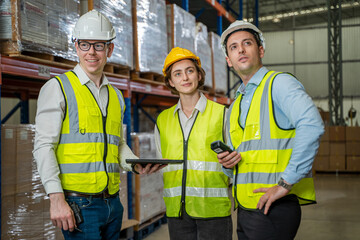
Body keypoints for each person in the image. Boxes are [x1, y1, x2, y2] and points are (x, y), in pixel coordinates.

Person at [33, 10, 161, 240]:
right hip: (78, 205)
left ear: (109, 50)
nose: (91, 52)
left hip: (112, 203)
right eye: (84, 44)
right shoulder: (58, 88)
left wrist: (134, 164)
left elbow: (117, 143)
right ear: (75, 46)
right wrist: (56, 199)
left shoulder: (116, 96)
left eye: (99, 45)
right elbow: (43, 146)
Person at [217, 20, 325, 240]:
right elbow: (247, 154)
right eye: (234, 47)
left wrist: (285, 183)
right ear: (229, 60)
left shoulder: (279, 83)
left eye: (247, 43)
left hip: (275, 205)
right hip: (246, 206)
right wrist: (229, 162)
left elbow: (312, 125)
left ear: (261, 50)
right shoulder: (235, 104)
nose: (241, 50)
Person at [154, 47, 233, 240]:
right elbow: (161, 163)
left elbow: (234, 162)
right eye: (178, 74)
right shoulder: (163, 120)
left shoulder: (221, 114)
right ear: (171, 82)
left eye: (190, 71)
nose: (185, 78)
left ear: (199, 75)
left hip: (213, 211)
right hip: (178, 213)